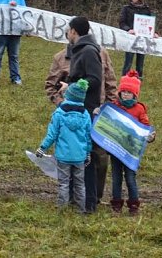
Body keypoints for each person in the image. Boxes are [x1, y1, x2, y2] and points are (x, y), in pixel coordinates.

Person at [45, 43, 116, 204]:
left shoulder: (101, 54)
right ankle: (70, 196)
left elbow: (110, 81)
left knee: (100, 156)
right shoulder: (60, 58)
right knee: (70, 155)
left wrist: (109, 106)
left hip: (98, 113)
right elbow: (50, 85)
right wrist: (62, 105)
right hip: (71, 119)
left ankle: (95, 197)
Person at [61, 16, 103, 212]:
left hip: (86, 109)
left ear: (74, 32)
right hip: (76, 107)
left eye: (69, 30)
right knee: (74, 154)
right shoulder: (80, 49)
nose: (67, 33)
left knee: (86, 157)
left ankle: (89, 202)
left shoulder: (88, 51)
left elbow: (94, 79)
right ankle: (75, 199)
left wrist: (71, 86)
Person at [35, 79, 92, 213]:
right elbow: (88, 137)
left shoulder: (59, 113)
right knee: (80, 184)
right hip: (80, 156)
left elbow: (52, 134)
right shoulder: (86, 115)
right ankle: (81, 209)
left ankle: (62, 209)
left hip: (63, 156)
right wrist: (88, 153)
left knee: (64, 183)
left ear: (68, 96)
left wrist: (42, 148)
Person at [109, 69, 155, 215]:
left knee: (130, 177)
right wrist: (98, 112)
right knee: (116, 177)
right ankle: (116, 204)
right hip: (116, 149)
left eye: (129, 92)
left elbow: (145, 127)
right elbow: (107, 119)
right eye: (124, 92)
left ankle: (133, 204)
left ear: (135, 94)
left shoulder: (139, 109)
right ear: (120, 92)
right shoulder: (114, 106)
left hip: (131, 151)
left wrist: (151, 136)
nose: (126, 94)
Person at [118, 0, 153, 77]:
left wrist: (154, 32)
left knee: (140, 62)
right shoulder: (126, 8)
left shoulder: (146, 9)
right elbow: (121, 22)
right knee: (128, 62)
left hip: (142, 39)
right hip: (130, 38)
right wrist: (128, 29)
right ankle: (124, 79)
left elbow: (150, 23)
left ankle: (138, 80)